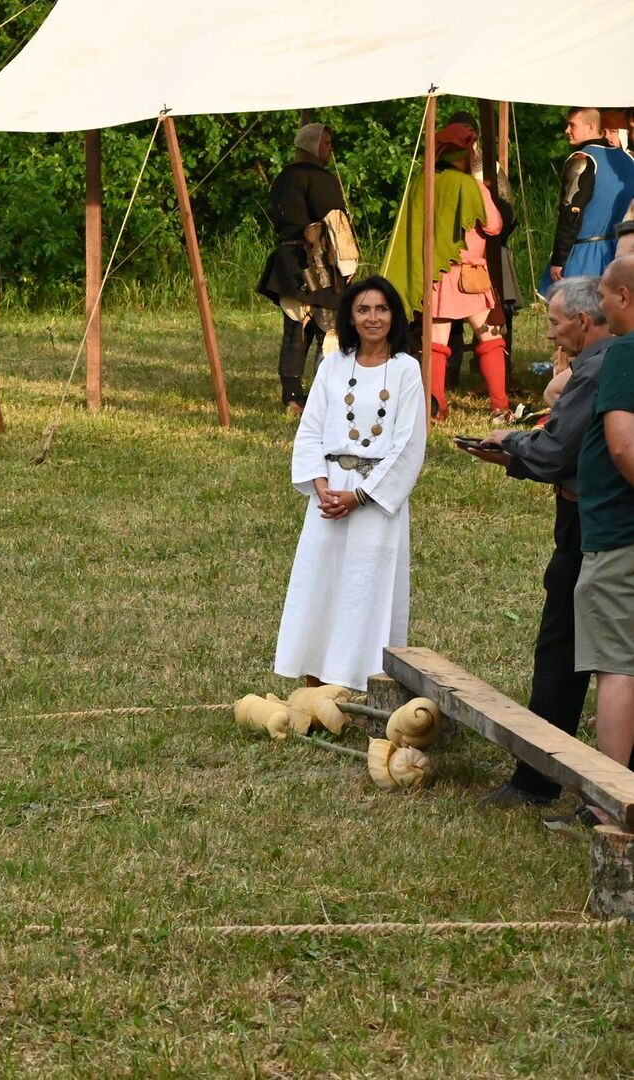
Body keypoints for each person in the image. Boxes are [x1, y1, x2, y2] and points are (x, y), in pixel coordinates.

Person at [465, 278, 613, 807]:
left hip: (591, 525)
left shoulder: (596, 368)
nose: (549, 334)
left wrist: (511, 442)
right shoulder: (605, 362)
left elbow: (555, 453)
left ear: (584, 321)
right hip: (596, 520)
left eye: (554, 322)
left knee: (565, 652)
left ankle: (538, 779)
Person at [274, 276, 427, 691]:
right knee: (321, 582)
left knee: (366, 588)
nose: (372, 318)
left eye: (381, 309)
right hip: (329, 493)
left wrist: (360, 496)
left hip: (374, 497)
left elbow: (409, 444)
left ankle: (362, 684)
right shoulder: (333, 365)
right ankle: (315, 686)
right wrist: (321, 485)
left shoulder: (406, 369)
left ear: (394, 316)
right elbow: (311, 428)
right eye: (363, 310)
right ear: (351, 317)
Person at [383, 121, 510, 422]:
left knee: (436, 343)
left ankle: (436, 408)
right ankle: (500, 407)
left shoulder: (421, 182)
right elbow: (494, 225)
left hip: (436, 275)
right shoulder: (468, 185)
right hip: (468, 274)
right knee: (489, 335)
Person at [569, 256, 634, 798]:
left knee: (617, 667)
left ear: (626, 297)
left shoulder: (625, 353)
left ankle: (612, 803)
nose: (602, 305)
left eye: (607, 295)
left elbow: (623, 445)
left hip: (620, 535)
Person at [256, 122, 358, 413]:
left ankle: (292, 395)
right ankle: (324, 396)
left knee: (295, 330)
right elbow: (335, 223)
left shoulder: (282, 178)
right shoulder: (319, 178)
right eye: (325, 143)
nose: (330, 149)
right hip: (317, 264)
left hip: (287, 262)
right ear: (311, 145)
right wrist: (348, 263)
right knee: (328, 330)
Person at [541, 108, 634, 292]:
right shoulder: (627, 159)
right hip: (617, 253)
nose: (567, 130)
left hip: (582, 255)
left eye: (572, 125)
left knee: (576, 307)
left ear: (591, 127)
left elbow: (570, 213)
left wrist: (559, 259)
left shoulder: (582, 160)